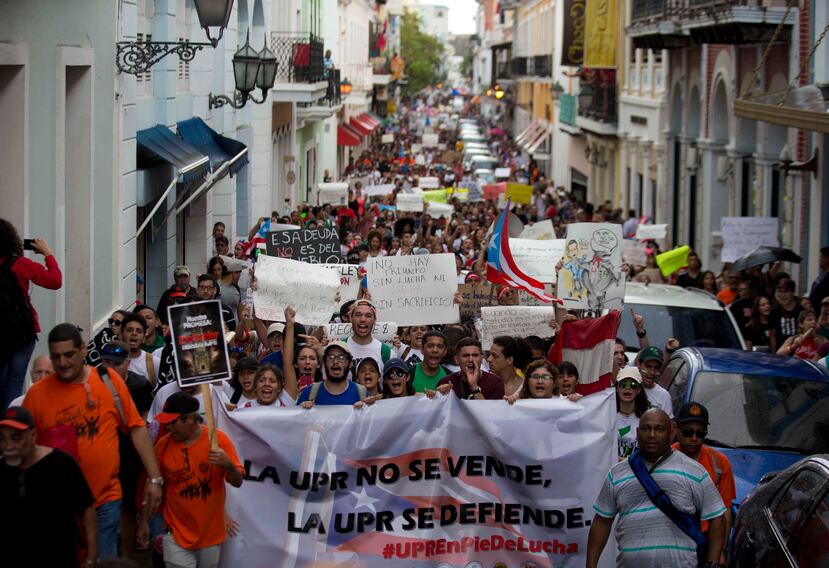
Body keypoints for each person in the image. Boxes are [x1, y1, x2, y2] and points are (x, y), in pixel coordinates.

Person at [23, 323, 163, 560]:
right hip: (57, 507)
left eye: (69, 355)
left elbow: (137, 429)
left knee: (101, 561)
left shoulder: (109, 382)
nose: (63, 363)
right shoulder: (37, 395)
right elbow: (26, 446)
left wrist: (154, 478)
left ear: (83, 350)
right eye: (56, 357)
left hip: (105, 499)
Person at [587, 408, 726, 568]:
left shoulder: (695, 471)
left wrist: (713, 562)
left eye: (659, 429)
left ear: (671, 432)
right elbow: (602, 523)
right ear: (637, 432)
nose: (652, 435)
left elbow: (717, 517)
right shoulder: (616, 474)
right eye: (646, 429)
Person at [0, 405, 98, 566]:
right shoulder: (3, 469)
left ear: (32, 436)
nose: (8, 446)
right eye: (2, 438)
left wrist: (91, 558)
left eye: (16, 438)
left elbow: (87, 509)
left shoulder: (62, 464)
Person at [154, 391, 243, 568]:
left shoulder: (217, 441)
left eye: (173, 422)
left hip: (210, 534)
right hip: (175, 532)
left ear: (191, 419)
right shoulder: (163, 446)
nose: (168, 427)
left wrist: (229, 466)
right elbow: (155, 485)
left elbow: (237, 481)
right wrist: (144, 522)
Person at [0, 219, 63, 409]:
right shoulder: (20, 264)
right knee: (14, 382)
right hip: (21, 333)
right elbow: (54, 281)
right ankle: (10, 425)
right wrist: (47, 254)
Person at [100, 340, 152, 560]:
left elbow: (142, 422)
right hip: (104, 452)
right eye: (107, 363)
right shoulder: (94, 382)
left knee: (129, 508)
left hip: (130, 454)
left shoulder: (140, 385)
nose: (111, 368)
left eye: (117, 363)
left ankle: (128, 559)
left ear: (127, 364)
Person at [672, 401, 736, 565]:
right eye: (688, 432)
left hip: (705, 542)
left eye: (700, 434)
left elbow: (725, 510)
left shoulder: (720, 463)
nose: (694, 438)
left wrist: (720, 550)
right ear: (676, 429)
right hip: (672, 540)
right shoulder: (665, 458)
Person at [296, 342, 369, 407]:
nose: (335, 361)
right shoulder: (309, 393)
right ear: (324, 362)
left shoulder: (362, 393)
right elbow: (295, 420)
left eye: (341, 357)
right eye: (331, 357)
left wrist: (366, 410)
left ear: (350, 363)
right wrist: (304, 411)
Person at [435, 337, 505, 400]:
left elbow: (489, 413)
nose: (471, 359)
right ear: (457, 360)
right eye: (465, 355)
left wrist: (474, 388)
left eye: (475, 355)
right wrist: (439, 397)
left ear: (481, 359)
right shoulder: (445, 383)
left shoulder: (495, 383)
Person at [345, 299, 394, 374]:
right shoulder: (340, 348)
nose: (363, 319)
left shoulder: (386, 353)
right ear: (351, 318)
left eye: (368, 316)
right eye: (358, 315)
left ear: (374, 320)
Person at [615, 367, 650, 459]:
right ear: (617, 388)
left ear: (638, 390)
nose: (628, 387)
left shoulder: (646, 418)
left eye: (633, 384)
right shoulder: (607, 415)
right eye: (623, 384)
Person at [637, 346, 672, 416]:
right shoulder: (629, 388)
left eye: (656, 368)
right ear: (639, 365)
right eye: (648, 366)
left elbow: (668, 424)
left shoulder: (664, 396)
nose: (652, 372)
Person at [771, 277, 805, 344]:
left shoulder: (801, 311)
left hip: (797, 350)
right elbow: (772, 336)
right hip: (780, 351)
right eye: (780, 291)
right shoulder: (774, 311)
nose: (783, 295)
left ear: (792, 292)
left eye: (786, 291)